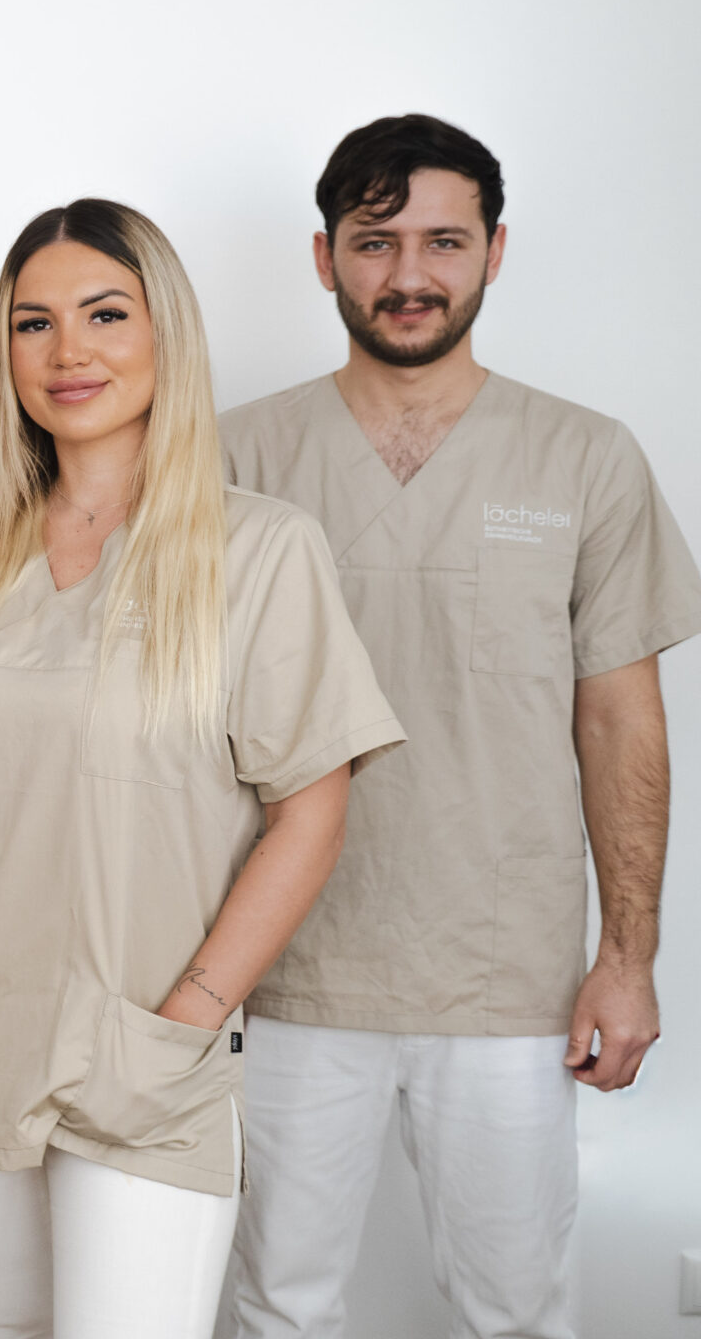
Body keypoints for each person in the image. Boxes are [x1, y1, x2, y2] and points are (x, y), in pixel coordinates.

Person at [0, 198, 404, 1339]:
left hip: (143, 1062)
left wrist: (187, 1020)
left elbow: (310, 816)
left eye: (105, 314)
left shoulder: (259, 551)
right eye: (33, 324)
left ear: (167, 332)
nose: (67, 350)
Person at [220, 115, 701, 1339]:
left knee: (515, 1309)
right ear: (323, 258)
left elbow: (622, 726)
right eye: (373, 241)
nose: (409, 275)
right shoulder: (235, 460)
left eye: (442, 241)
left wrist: (628, 958)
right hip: (283, 971)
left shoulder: (584, 459)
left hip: (507, 976)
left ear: (494, 250)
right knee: (280, 1305)